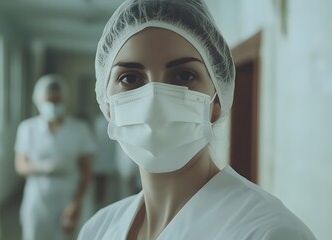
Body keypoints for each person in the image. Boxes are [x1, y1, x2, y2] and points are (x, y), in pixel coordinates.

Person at [78, 0, 317, 239]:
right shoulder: (97, 229)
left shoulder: (270, 232)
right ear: (107, 104)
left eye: (183, 75)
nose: (154, 101)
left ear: (216, 101)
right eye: (130, 78)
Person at [15, 74, 96, 240]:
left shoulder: (79, 129)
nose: (52, 105)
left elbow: (87, 171)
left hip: (70, 198)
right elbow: (20, 165)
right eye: (48, 100)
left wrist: (76, 203)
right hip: (38, 201)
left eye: (57, 100)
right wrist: (42, 167)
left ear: (65, 100)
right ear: (38, 101)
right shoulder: (28, 128)